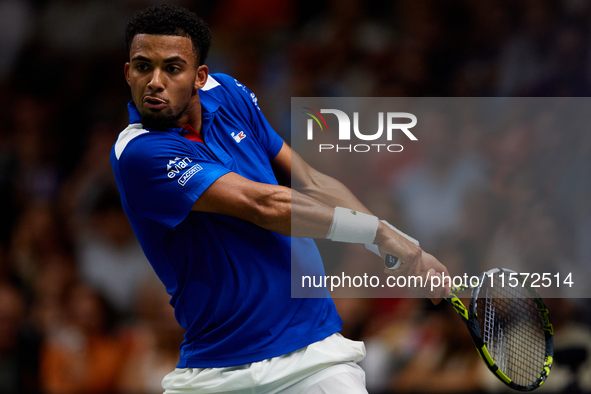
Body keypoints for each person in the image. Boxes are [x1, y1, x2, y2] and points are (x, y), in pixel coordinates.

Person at [111, 4, 449, 393]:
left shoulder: (231, 94)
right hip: (214, 372)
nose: (155, 81)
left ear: (200, 77)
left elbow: (309, 180)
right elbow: (264, 205)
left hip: (313, 358)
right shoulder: (138, 153)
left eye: (172, 68)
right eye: (142, 66)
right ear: (127, 73)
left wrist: (389, 243)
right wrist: (379, 234)